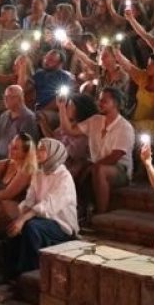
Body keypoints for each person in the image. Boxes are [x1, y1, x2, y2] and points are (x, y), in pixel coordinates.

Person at [57, 86, 134, 220]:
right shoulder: (95, 120)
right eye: (99, 100)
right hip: (96, 163)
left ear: (115, 103)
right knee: (76, 167)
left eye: (104, 101)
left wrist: (93, 167)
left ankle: (100, 215)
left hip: (120, 169)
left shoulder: (124, 127)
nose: (100, 103)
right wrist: (62, 108)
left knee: (99, 170)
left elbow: (115, 157)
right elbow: (69, 130)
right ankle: (73, 210)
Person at [8, 138, 78, 273]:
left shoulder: (64, 177)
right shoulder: (39, 173)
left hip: (61, 225)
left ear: (53, 153)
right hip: (41, 219)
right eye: (38, 148)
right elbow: (30, 199)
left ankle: (30, 272)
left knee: (30, 227)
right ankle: (11, 271)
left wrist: (23, 219)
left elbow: (48, 205)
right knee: (15, 227)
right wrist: (20, 218)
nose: (37, 152)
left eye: (42, 149)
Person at [0, 85, 40, 161]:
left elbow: (27, 146)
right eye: (5, 96)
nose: (6, 100)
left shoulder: (28, 118)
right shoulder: (4, 116)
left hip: (16, 161)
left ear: (20, 98)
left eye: (10, 97)